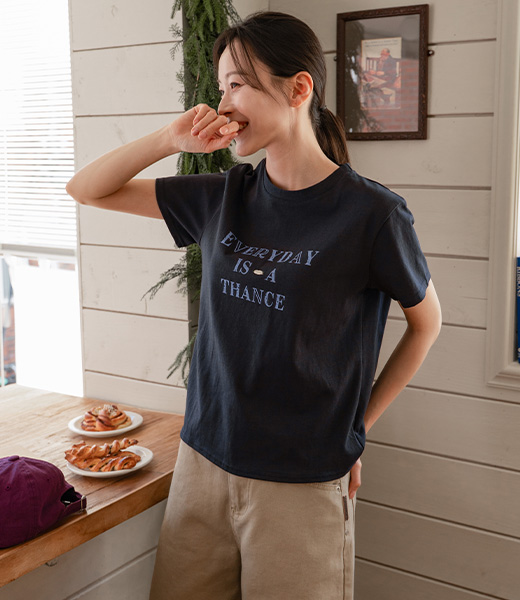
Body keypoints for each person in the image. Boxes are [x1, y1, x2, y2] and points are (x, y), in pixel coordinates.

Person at [66, 11, 441, 600]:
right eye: (221, 87)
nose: (224, 104)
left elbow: (427, 325)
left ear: (298, 88)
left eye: (237, 84)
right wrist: (169, 140)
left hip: (301, 480)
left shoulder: (372, 215)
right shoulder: (222, 197)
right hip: (202, 462)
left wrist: (356, 431)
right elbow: (87, 189)